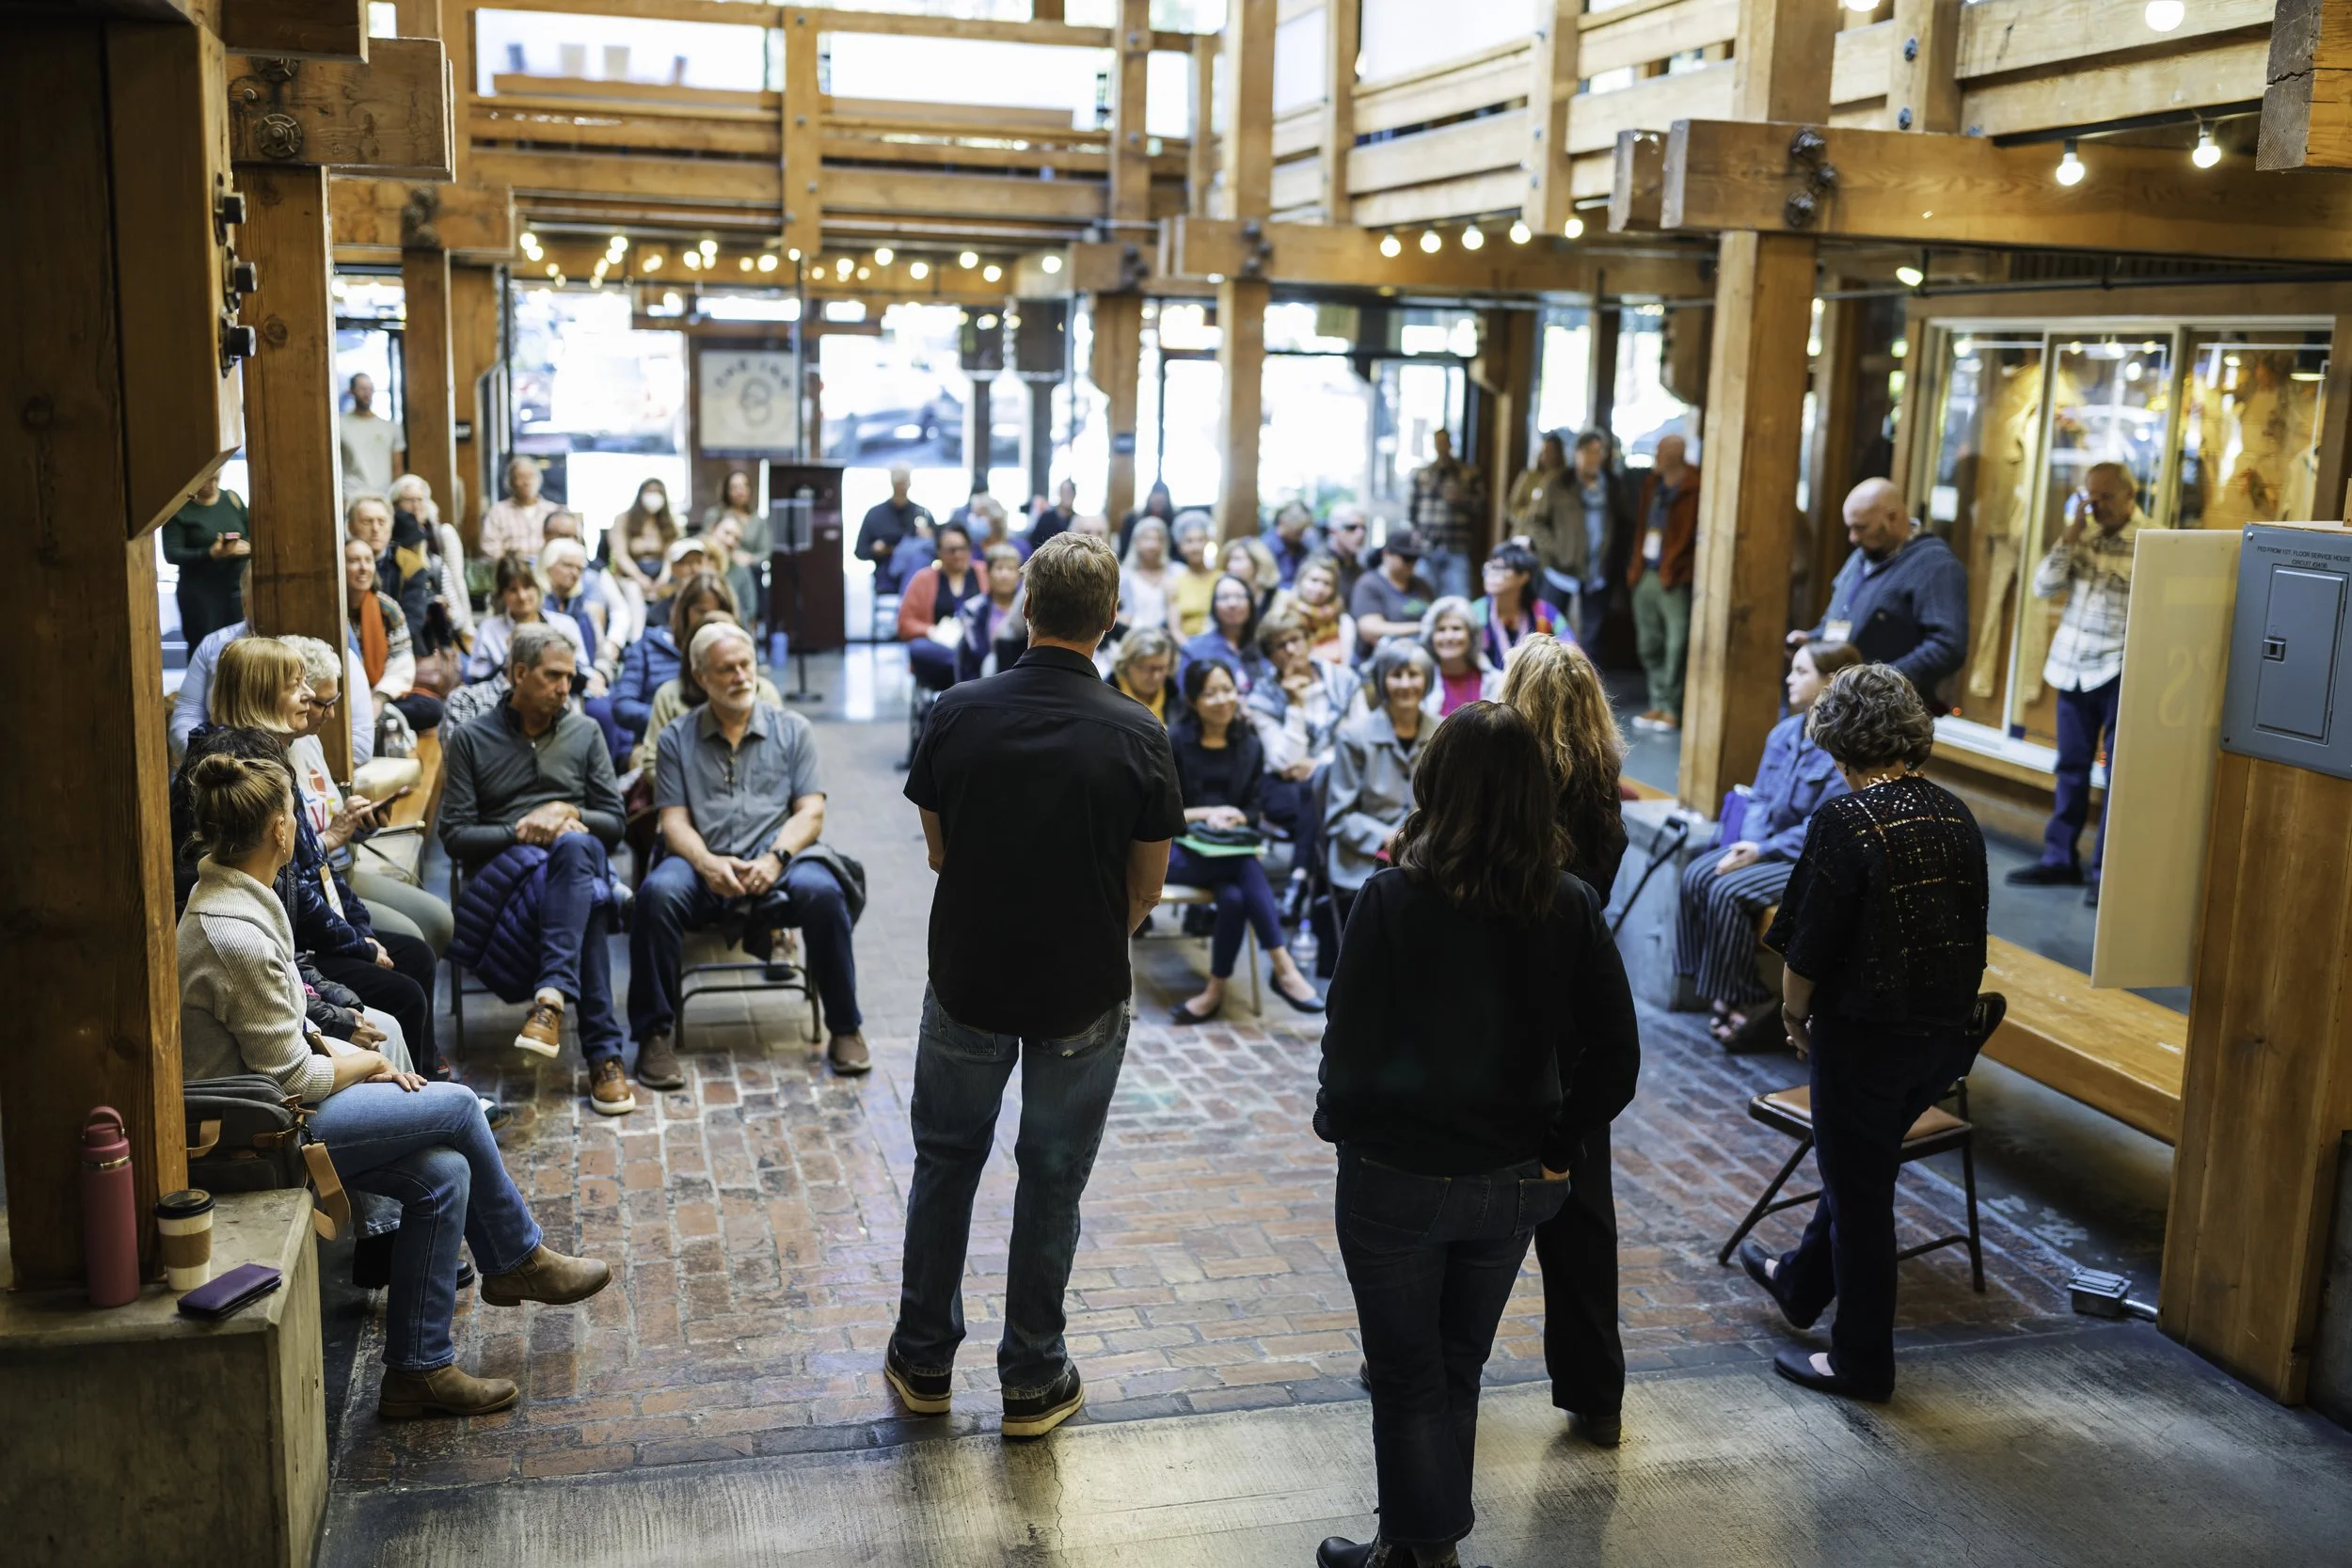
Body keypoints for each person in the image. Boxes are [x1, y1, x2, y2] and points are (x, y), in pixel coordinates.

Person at [177, 748, 610, 1420]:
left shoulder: (239, 898)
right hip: (262, 1133)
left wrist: (350, 1049)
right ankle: (517, 1260)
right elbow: (295, 1078)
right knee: (459, 1106)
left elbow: (289, 1030)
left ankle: (418, 1371)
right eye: (295, 813)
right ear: (280, 830)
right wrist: (371, 1064)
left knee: (445, 1175)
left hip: (280, 1106)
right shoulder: (235, 932)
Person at [1313, 701, 1640, 1568]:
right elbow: (1617, 1056)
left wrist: (1341, 1129)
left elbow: (1346, 1038)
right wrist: (1561, 1147)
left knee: (1405, 1375)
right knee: (1456, 1366)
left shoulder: (1390, 897)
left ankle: (1423, 1554)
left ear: (1435, 785)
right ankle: (1415, 1549)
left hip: (1396, 1174)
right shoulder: (1567, 903)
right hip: (1513, 1175)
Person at [888, 532, 1184, 1441]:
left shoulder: (957, 711)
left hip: (970, 972)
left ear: (1025, 607)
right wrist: (1083, 932)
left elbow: (940, 851)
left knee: (946, 1164)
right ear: (1110, 619)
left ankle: (923, 1360)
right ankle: (1032, 1376)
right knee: (1052, 1178)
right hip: (1081, 988)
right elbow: (1147, 887)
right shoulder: (1139, 731)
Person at [1739, 662, 1989, 1403]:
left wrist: (1794, 1017)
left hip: (1867, 1039)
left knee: (1860, 1199)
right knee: (1862, 1168)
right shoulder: (1957, 813)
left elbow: (1804, 951)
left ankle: (1860, 1361)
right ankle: (1799, 1283)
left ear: (1837, 742)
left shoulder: (1845, 821)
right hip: (1945, 1038)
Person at [182, 638, 439, 1083]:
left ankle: (429, 1083)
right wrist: (356, 953)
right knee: (404, 992)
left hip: (302, 948)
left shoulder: (279, 754)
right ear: (262, 694)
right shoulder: (244, 774)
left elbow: (314, 864)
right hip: (298, 969)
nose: (309, 697)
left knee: (414, 954)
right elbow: (292, 1074)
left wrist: (358, 931)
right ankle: (427, 1089)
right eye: (295, 686)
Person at [1498, 633, 1634, 1446]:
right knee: (1582, 1215)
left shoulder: (1494, 780)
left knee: (1462, 1196)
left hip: (1493, 1006)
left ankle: (1425, 1359)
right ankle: (1597, 1394)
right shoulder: (1603, 794)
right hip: (1577, 1011)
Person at [631, 621, 867, 1086]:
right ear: (701, 677)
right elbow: (673, 821)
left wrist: (776, 859)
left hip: (779, 859)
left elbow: (811, 812)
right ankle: (653, 1034)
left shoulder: (792, 729)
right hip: (702, 860)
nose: (741, 677)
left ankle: (845, 1026)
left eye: (746, 665)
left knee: (824, 892)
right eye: (727, 669)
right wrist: (706, 863)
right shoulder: (676, 737)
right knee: (655, 895)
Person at [438, 623, 635, 1117]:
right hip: (506, 876)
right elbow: (455, 835)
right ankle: (604, 1057)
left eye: (570, 677)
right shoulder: (471, 738)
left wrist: (569, 812)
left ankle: (549, 1002)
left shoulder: (585, 732)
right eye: (553, 675)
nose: (565, 687)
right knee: (590, 893)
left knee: (576, 851)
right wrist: (523, 829)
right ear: (519, 673)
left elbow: (615, 823)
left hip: (572, 865)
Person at [1676, 641, 1862, 1050]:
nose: (1789, 679)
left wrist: (1763, 851)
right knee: (1697, 873)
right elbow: (1759, 798)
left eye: (1801, 672)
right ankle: (1713, 986)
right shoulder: (1783, 733)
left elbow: (1823, 826)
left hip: (1807, 859)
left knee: (1727, 890)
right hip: (1766, 846)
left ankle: (1744, 998)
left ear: (1832, 681)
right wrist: (1751, 844)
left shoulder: (1842, 747)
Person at [2007, 461, 2141, 906]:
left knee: (2117, 775)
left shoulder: (2152, 541)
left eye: (2106, 496)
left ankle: (2106, 873)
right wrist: (2069, 536)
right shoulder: (2080, 537)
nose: (2096, 505)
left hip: (2119, 669)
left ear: (2130, 495)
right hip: (2072, 667)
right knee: (2070, 766)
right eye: (2090, 496)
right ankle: (2059, 858)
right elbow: (2043, 587)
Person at [1165, 660, 1326, 1022]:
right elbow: (1162, 811)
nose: (1222, 699)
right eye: (1210, 693)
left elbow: (1254, 810)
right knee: (1244, 864)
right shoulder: (1174, 741)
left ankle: (1214, 992)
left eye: (1228, 690)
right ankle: (1283, 967)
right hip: (1175, 854)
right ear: (1192, 701)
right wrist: (1208, 813)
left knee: (1235, 897)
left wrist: (1236, 817)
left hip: (1225, 852)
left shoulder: (1249, 744)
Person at [279, 632, 456, 958]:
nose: (331, 714)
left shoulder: (309, 740)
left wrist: (360, 824)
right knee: (414, 941)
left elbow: (329, 820)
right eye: (321, 704)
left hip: (339, 871)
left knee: (439, 920)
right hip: (314, 886)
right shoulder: (273, 760)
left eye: (334, 702)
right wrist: (332, 838)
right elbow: (287, 865)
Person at [1788, 477, 1969, 707]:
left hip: (1890, 711)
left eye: (1861, 528)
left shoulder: (1934, 565)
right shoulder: (1861, 557)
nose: (1853, 538)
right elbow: (1840, 619)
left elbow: (1947, 647)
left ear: (1892, 518)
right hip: (1845, 704)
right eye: (1850, 528)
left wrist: (1880, 680)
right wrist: (1815, 637)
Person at [169, 571, 376, 767]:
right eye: (295, 684)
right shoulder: (216, 646)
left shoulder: (335, 654)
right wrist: (220, 767)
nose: (276, 604)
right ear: (244, 603)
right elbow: (186, 717)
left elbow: (361, 743)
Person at [1247, 610, 1358, 884]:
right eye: (1279, 646)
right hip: (1284, 786)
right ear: (1270, 657)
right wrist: (1295, 704)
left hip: (1341, 778)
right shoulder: (1262, 696)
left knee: (1318, 792)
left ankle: (1301, 878)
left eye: (1295, 640)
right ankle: (1325, 888)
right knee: (1317, 799)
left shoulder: (1344, 681)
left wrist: (1320, 765)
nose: (1290, 650)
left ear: (1309, 640)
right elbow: (1286, 762)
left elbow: (1360, 743)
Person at [1326, 640, 1436, 914]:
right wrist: (1390, 836)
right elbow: (1339, 817)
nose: (1405, 684)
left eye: (1413, 674)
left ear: (1427, 679)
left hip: (1428, 857)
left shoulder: (1443, 731)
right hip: (1365, 860)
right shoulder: (1353, 736)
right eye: (1396, 675)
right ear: (1382, 681)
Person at [616, 572, 739, 758]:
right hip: (659, 742)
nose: (710, 620)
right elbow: (622, 706)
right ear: (685, 611)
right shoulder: (649, 646)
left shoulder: (738, 655)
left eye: (718, 613)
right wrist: (673, 718)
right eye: (702, 612)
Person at [1629, 434, 1701, 732]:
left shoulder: (1694, 485)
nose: (1655, 455)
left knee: (1677, 643)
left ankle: (1673, 708)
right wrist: (1635, 568)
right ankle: (1658, 702)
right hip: (1647, 570)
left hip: (1676, 576)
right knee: (1649, 641)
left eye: (1660, 450)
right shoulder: (1652, 483)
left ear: (1674, 454)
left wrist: (1679, 566)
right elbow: (1642, 526)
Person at [345, 537, 443, 737]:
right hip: (343, 698)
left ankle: (376, 719)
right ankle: (375, 722)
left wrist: (378, 699)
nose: (363, 568)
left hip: (380, 695)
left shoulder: (388, 609)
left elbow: (401, 664)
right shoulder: (331, 610)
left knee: (432, 708)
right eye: (354, 561)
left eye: (368, 560)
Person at [467, 552, 591, 685]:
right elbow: (477, 681)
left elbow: (584, 675)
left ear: (537, 588)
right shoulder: (488, 629)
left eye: (527, 587)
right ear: (502, 595)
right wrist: (509, 659)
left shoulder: (565, 625)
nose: (522, 596)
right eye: (513, 590)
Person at [163, 473, 250, 648]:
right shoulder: (180, 509)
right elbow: (172, 553)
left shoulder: (232, 498)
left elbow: (251, 531)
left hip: (235, 588)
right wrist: (210, 553)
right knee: (205, 645)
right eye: (207, 480)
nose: (212, 484)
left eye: (215, 479)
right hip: (200, 593)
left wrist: (245, 547)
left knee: (240, 645)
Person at [897, 521, 981, 693]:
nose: (957, 555)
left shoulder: (983, 573)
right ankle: (964, 675)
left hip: (977, 643)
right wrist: (931, 631)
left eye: (962, 548)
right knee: (918, 648)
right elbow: (904, 623)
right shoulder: (923, 579)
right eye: (951, 550)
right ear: (939, 551)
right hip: (940, 649)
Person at [1407, 428, 1485, 600]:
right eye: (1438, 442)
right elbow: (1412, 508)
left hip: (1456, 544)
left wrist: (1462, 499)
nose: (1441, 446)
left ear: (1450, 443)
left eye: (1445, 441)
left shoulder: (1467, 473)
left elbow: (1481, 506)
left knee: (1459, 597)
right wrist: (1415, 533)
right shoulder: (1422, 474)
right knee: (1422, 597)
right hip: (1427, 545)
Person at [1350, 527, 1438, 661]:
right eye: (1407, 558)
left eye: (1415, 558)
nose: (1412, 563)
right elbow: (1369, 629)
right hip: (1380, 660)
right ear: (1386, 554)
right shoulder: (1369, 584)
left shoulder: (1422, 585)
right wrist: (1421, 627)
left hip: (1421, 658)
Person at [1180, 573, 1272, 697]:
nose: (1232, 604)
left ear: (1250, 603)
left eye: (1239, 597)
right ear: (1214, 606)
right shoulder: (1194, 649)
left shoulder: (1265, 645)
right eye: (1224, 597)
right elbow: (1186, 696)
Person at [1474, 542, 1561, 669]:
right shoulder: (1474, 612)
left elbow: (1571, 649)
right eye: (1489, 567)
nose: (1491, 575)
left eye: (1501, 568)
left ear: (1524, 576)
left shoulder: (1545, 612)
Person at [855, 463, 935, 595]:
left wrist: (929, 537)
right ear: (892, 483)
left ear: (909, 483)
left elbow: (939, 549)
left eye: (903, 482)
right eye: (898, 483)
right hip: (886, 580)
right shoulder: (875, 515)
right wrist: (875, 550)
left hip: (917, 577)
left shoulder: (922, 514)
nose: (901, 487)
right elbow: (860, 551)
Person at [955, 543, 1029, 682]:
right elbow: (972, 654)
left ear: (1019, 575)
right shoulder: (973, 609)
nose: (1005, 575)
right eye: (999, 568)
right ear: (988, 572)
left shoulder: (1029, 608)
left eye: (1011, 569)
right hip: (984, 679)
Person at [602, 479, 681, 605]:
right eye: (650, 491)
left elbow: (670, 557)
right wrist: (640, 578)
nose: (654, 496)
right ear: (641, 494)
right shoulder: (623, 520)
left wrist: (663, 579)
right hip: (630, 577)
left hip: (661, 578)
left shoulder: (670, 524)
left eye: (658, 492)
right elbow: (620, 555)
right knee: (633, 591)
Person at [1422, 596, 1502, 717]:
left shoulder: (1495, 681)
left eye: (1456, 629)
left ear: (1471, 635)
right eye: (1441, 629)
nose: (1448, 637)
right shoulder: (1419, 680)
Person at [478, 455, 556, 563]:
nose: (526, 482)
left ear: (539, 479)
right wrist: (511, 564)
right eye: (521, 477)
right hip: (510, 569)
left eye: (530, 476)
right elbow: (489, 546)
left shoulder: (552, 511)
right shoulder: (498, 512)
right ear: (511, 482)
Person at [339, 372, 405, 499]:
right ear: (351, 391)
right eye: (362, 388)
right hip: (351, 496)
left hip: (383, 496)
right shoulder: (339, 425)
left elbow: (397, 468)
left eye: (370, 388)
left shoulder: (391, 427)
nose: (367, 393)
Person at [1107, 625, 1182, 727]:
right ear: (1126, 664)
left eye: (1162, 668)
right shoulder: (1105, 698)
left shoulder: (1175, 695)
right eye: (1147, 669)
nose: (1156, 676)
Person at [1166, 512, 1220, 640]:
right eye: (1189, 541)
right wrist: (1190, 648)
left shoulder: (1221, 579)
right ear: (1181, 547)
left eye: (1201, 540)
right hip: (1187, 645)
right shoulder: (1173, 583)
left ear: (1208, 542)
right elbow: (1175, 630)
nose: (1196, 547)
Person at [1119, 516, 1173, 637]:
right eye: (1147, 539)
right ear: (1136, 542)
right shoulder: (1123, 576)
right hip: (1132, 637)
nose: (1152, 545)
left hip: (1166, 638)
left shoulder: (1175, 573)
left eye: (1158, 539)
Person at [1263, 499, 1319, 588]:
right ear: (1282, 521)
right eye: (1298, 531)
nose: (1302, 536)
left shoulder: (1302, 548)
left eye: (1303, 531)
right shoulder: (1264, 547)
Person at [1324, 503, 1372, 607]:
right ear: (1334, 531)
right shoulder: (1318, 563)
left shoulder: (1360, 568)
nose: (1360, 534)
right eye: (1351, 528)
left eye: (1363, 528)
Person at [1117, 478, 1174, 557]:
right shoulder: (1132, 519)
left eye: (1161, 502)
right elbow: (1124, 549)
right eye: (1156, 500)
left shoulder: (1173, 523)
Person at [1029, 477, 1079, 550]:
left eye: (1069, 492)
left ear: (1074, 494)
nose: (1067, 496)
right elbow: (1035, 543)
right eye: (1064, 492)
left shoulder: (1078, 520)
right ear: (1060, 493)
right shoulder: (1046, 518)